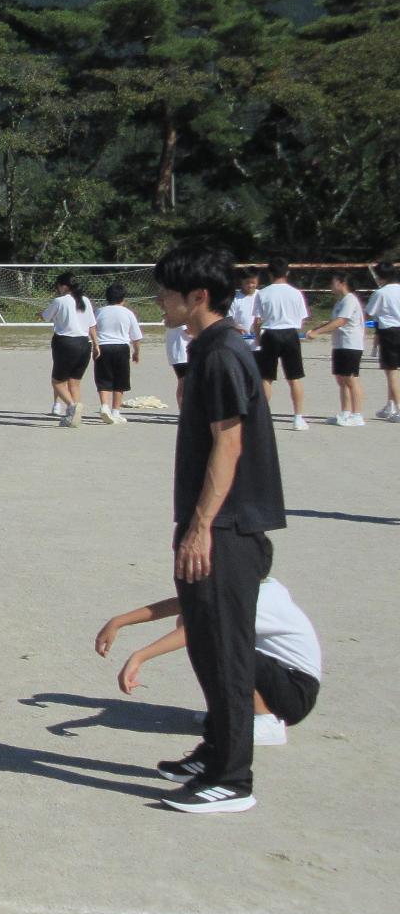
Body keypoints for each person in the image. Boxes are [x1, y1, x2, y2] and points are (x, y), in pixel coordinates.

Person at [150, 243, 285, 814]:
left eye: (167, 292)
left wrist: (202, 526)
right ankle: (216, 749)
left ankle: (234, 778)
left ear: (198, 297)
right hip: (208, 523)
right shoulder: (205, 350)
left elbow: (229, 443)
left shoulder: (225, 354)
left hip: (227, 527)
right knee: (205, 641)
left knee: (227, 648)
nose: (159, 301)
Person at [96, 575, 320, 751]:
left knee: (215, 638)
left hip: (295, 693)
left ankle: (265, 721)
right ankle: (231, 712)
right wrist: (119, 621)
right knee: (191, 619)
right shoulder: (253, 587)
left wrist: (140, 656)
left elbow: (198, 628)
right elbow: (185, 604)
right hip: (281, 682)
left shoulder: (257, 599)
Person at [303, 271, 366, 426]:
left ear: (342, 283)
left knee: (351, 379)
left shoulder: (350, 300)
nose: (331, 285)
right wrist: (314, 330)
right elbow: (332, 322)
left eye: (333, 282)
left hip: (351, 345)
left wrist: (317, 332)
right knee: (341, 379)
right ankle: (345, 412)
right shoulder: (341, 301)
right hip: (339, 344)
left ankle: (357, 415)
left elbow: (340, 321)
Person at [253, 259, 310, 431]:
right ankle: (298, 417)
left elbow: (257, 320)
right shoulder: (295, 293)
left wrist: (257, 338)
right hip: (290, 333)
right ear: (287, 273)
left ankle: (261, 416)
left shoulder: (262, 293)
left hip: (270, 333)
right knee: (294, 377)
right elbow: (301, 321)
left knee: (266, 378)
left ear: (269, 274)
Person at [38, 274, 96, 425]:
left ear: (64, 286)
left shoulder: (60, 301)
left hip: (66, 343)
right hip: (85, 343)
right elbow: (92, 325)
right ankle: (75, 416)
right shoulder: (85, 300)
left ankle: (72, 406)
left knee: (57, 381)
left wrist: (39, 314)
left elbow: (46, 316)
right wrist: (96, 344)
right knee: (75, 382)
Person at [91, 283, 144, 425]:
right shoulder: (128, 313)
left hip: (103, 346)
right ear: (123, 298)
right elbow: (136, 336)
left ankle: (104, 406)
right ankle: (116, 411)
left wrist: (95, 345)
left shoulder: (99, 311)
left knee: (103, 378)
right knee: (120, 380)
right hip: (121, 347)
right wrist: (136, 352)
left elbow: (92, 329)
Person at [369, 261, 400, 421]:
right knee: (392, 372)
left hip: (389, 333)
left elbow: (370, 312)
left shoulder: (381, 293)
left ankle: (398, 408)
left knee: (392, 372)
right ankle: (390, 405)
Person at [227, 268, 261, 348]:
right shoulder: (234, 298)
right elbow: (228, 318)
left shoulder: (262, 295)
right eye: (247, 283)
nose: (250, 285)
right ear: (241, 281)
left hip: (259, 344)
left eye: (253, 282)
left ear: (257, 280)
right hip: (240, 343)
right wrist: (235, 326)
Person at [166, 319, 192, 409]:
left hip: (184, 352)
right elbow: (189, 331)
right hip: (181, 353)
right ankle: (184, 411)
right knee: (184, 382)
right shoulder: (180, 317)